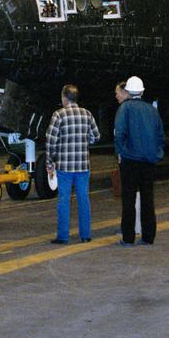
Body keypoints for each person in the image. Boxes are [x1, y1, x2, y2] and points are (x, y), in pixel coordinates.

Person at [44, 84, 100, 245]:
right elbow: (96, 137)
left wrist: (49, 163)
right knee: (84, 200)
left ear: (64, 97)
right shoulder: (87, 114)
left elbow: (51, 141)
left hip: (64, 167)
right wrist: (84, 141)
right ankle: (86, 235)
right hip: (83, 166)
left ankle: (63, 236)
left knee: (64, 200)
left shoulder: (59, 115)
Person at [113, 74, 164, 245]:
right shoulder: (152, 110)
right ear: (142, 91)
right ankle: (148, 236)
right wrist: (157, 154)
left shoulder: (124, 109)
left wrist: (120, 152)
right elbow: (160, 135)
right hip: (148, 161)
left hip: (129, 161)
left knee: (128, 199)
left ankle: (128, 238)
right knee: (148, 199)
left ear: (128, 91)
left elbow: (119, 133)